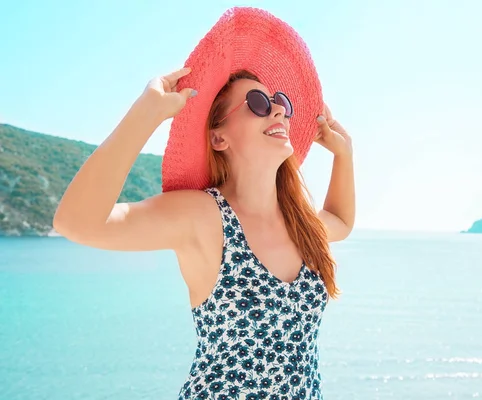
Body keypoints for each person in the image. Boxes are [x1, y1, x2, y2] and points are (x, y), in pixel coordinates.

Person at [53, 7, 355, 400]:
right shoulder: (204, 217)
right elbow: (76, 222)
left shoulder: (299, 223)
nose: (278, 108)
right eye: (259, 104)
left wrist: (344, 156)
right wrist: (146, 115)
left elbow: (341, 221)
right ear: (219, 138)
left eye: (278, 100)